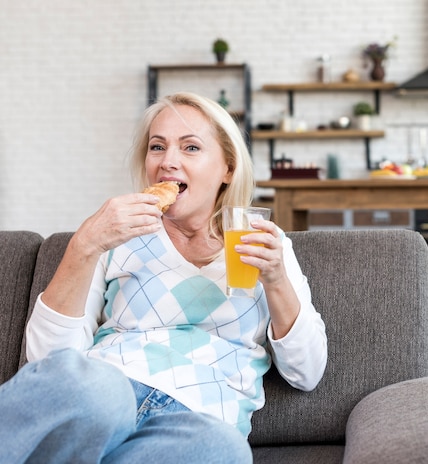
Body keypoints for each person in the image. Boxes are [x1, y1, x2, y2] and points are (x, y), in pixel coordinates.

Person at [0, 92, 327, 463]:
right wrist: (84, 245)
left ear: (228, 169)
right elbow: (49, 362)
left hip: (196, 421)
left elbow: (307, 373)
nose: (168, 161)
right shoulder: (116, 235)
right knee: (98, 387)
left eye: (190, 147)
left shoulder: (265, 243)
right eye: (158, 147)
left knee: (223, 449)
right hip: (107, 398)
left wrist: (276, 279)